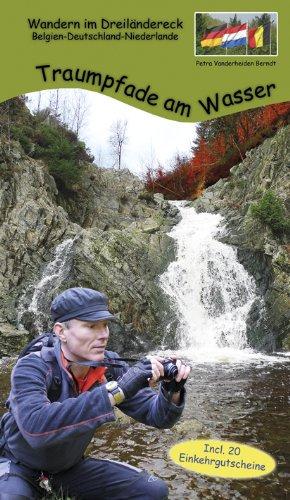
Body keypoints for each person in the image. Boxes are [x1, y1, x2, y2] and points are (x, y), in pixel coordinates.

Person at [0, 287, 190, 499]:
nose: (103, 335)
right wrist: (118, 390)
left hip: (67, 468)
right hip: (19, 465)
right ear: (61, 331)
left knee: (153, 490)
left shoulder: (109, 366)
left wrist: (172, 390)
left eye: (105, 326)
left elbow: (158, 416)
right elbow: (36, 428)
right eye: (91, 326)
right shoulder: (31, 367)